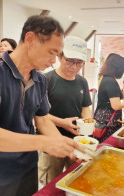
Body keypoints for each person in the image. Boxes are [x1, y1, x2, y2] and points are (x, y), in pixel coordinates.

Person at [0, 15, 82, 196]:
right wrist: (41, 143)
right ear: (31, 39)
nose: (54, 61)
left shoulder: (40, 80)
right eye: (51, 52)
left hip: (27, 170)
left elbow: (42, 119)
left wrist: (66, 147)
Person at [38, 36, 92, 185]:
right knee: (50, 182)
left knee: (76, 179)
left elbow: (85, 107)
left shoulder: (82, 82)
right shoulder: (46, 79)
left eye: (79, 63)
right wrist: (62, 123)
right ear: (60, 56)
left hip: (76, 141)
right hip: (51, 142)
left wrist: (87, 124)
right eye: (70, 61)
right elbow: (39, 115)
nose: (74, 67)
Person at [94, 53, 124, 142]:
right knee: (107, 143)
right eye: (123, 70)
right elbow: (115, 105)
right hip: (108, 121)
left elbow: (110, 96)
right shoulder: (111, 81)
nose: (123, 73)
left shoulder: (106, 78)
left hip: (103, 117)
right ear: (117, 69)